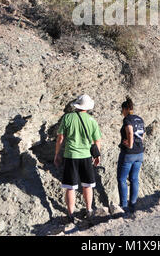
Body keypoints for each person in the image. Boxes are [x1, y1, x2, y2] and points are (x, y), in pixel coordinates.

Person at [54, 94, 101, 223]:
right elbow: (97, 141)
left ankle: (70, 214)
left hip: (71, 156)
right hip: (86, 156)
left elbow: (60, 138)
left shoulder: (67, 118)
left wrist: (57, 154)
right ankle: (89, 210)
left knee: (70, 187)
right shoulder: (92, 121)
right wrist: (97, 156)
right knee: (87, 185)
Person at [117, 97, 145, 213]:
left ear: (126, 109)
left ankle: (124, 206)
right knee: (134, 179)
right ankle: (133, 204)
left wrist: (129, 143)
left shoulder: (127, 119)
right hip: (140, 153)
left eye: (122, 110)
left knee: (122, 179)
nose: (121, 113)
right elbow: (143, 135)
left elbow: (129, 130)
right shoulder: (139, 119)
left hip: (129, 154)